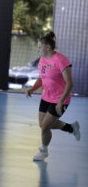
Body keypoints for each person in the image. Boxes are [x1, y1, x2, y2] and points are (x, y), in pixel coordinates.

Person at [26, 31, 80, 161]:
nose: (38, 49)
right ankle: (71, 127)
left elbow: (69, 83)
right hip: (46, 97)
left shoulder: (61, 60)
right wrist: (32, 89)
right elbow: (41, 78)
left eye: (40, 47)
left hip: (61, 99)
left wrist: (60, 102)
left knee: (45, 126)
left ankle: (43, 151)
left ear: (48, 47)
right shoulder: (42, 60)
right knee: (43, 125)